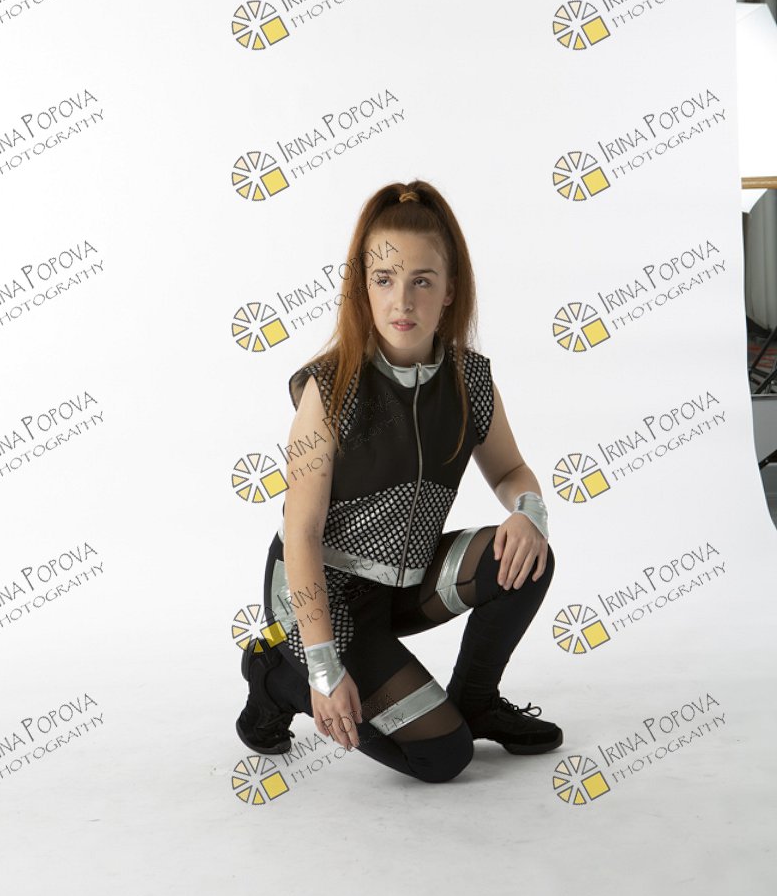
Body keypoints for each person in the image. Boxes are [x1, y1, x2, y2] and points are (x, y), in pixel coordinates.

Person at [236, 180, 561, 784]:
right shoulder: (327, 390)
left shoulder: (470, 379)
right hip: (324, 601)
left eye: (422, 281)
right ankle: (278, 676)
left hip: (403, 586)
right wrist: (323, 668)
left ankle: (476, 701)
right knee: (443, 757)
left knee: (526, 558)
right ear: (363, 288)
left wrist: (529, 511)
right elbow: (301, 534)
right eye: (384, 279)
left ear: (450, 289)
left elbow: (510, 470)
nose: (402, 300)